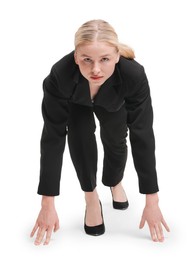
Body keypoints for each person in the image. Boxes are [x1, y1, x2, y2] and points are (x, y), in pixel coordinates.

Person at [30, 19, 170, 245]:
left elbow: (142, 134)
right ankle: (91, 197)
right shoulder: (60, 76)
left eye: (104, 59)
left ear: (116, 56)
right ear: (76, 57)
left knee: (116, 140)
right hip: (76, 101)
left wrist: (152, 201)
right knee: (80, 138)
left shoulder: (133, 75)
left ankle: (114, 182)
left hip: (113, 102)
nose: (95, 69)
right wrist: (47, 204)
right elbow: (52, 138)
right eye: (87, 60)